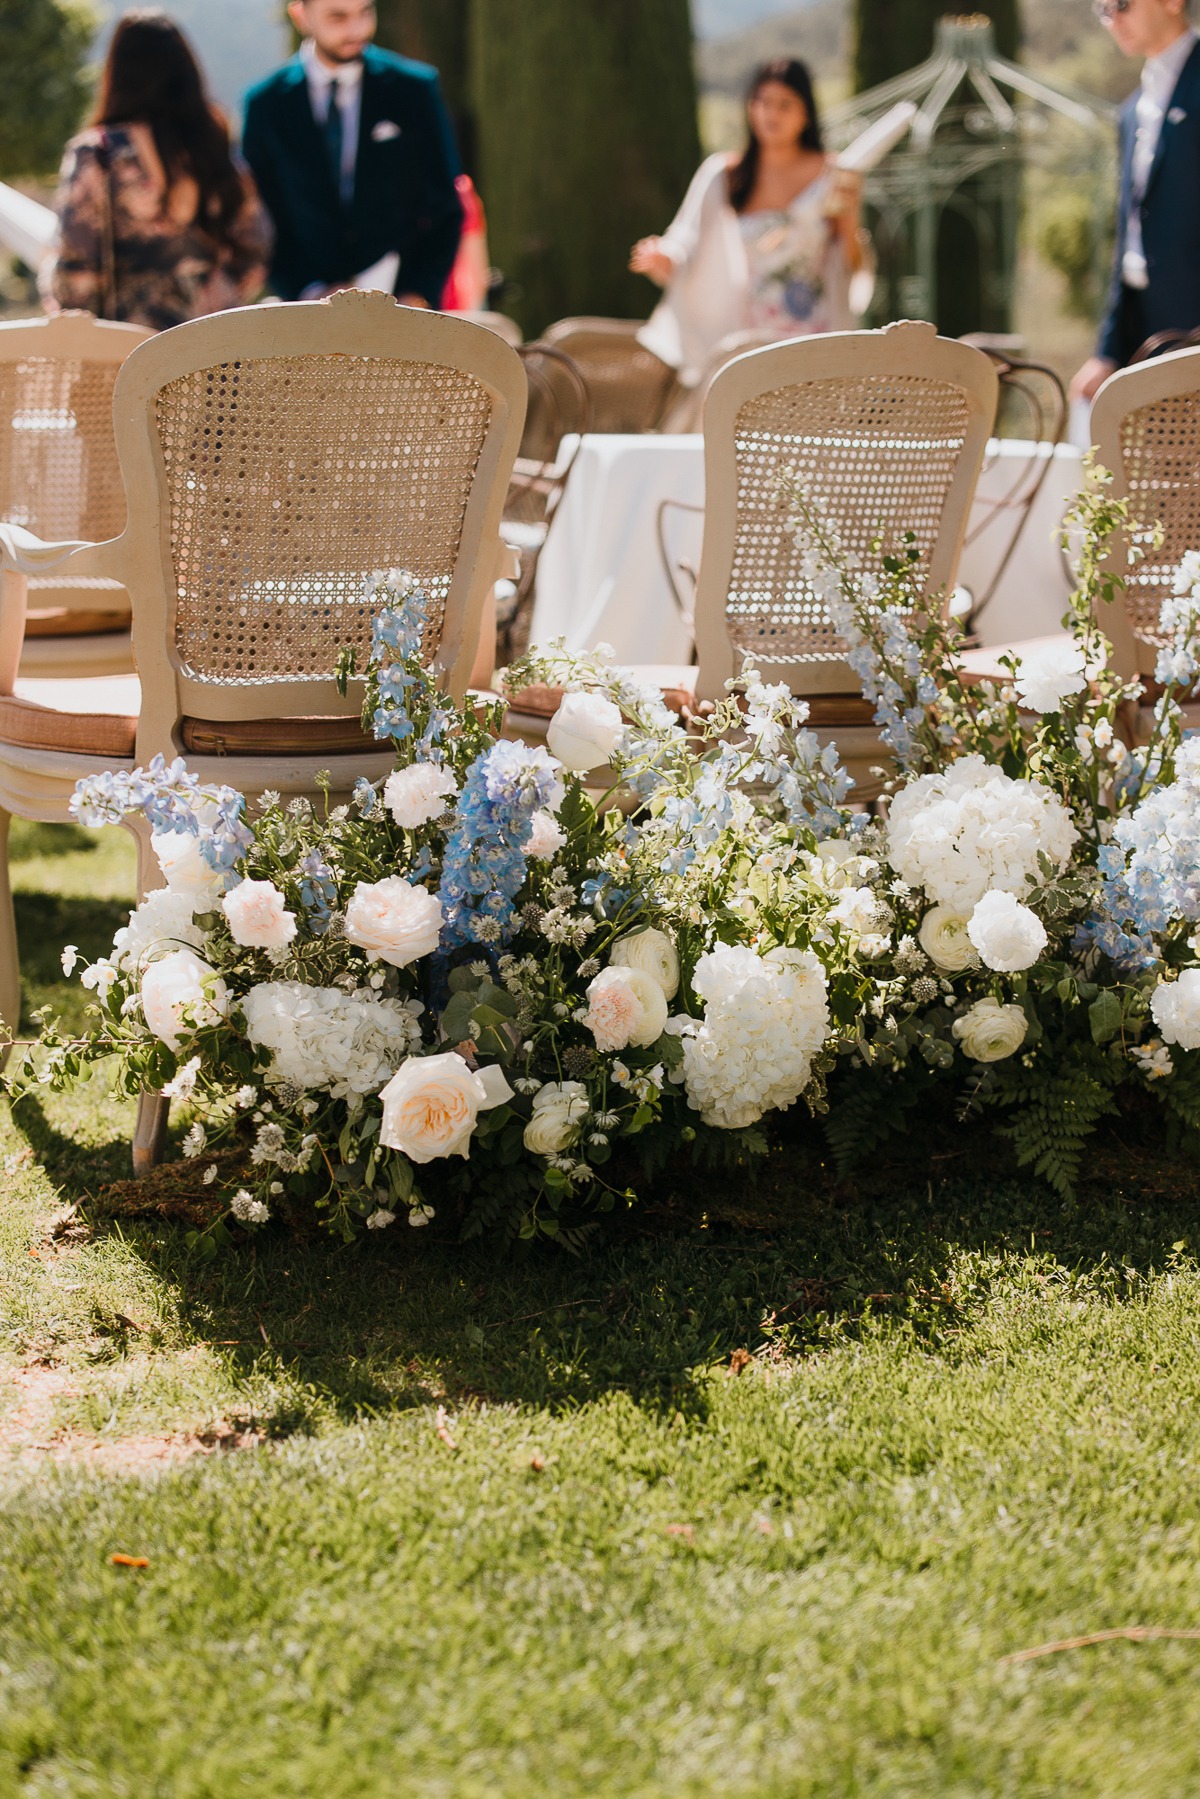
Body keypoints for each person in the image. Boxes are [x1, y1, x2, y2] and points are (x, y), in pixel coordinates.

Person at [631, 58, 864, 388]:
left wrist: (851, 215)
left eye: (785, 104)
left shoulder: (835, 174)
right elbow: (686, 235)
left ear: (806, 113)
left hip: (815, 332)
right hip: (745, 334)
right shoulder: (724, 174)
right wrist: (665, 255)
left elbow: (851, 262)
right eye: (763, 101)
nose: (771, 114)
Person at [42, 10, 270, 331]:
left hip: (124, 352)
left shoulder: (98, 154)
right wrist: (219, 301)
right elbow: (255, 246)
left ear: (117, 72)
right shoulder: (214, 149)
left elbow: (75, 269)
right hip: (208, 351)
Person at [242, 0, 463, 308]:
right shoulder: (265, 104)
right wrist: (307, 289)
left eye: (365, 12)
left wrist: (419, 294)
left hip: (401, 306)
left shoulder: (415, 89)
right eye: (338, 17)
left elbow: (446, 206)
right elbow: (260, 216)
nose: (357, 29)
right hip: (307, 311)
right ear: (301, 16)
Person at [1071, 0, 1200, 402]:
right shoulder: (1131, 111)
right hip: (1147, 338)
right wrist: (1107, 352)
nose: (1113, 19)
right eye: (1103, 8)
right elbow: (1130, 238)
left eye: (1123, 4)